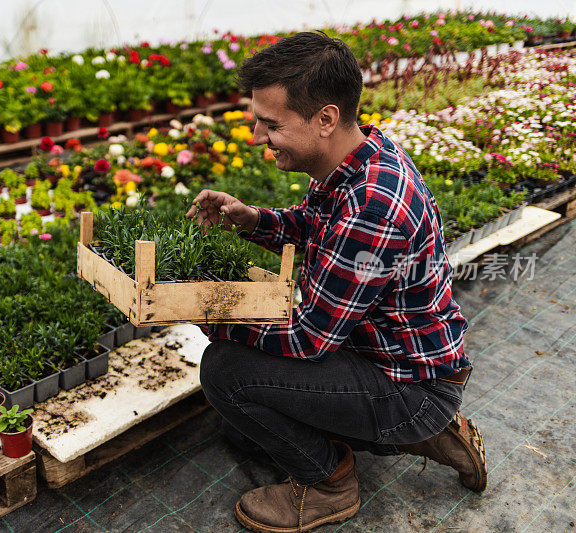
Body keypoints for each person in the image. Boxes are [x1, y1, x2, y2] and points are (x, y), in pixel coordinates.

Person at [185, 31, 487, 533]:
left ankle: (330, 481)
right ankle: (426, 433)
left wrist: (210, 312)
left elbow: (308, 341)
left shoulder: (374, 202)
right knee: (244, 431)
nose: (257, 138)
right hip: (380, 353)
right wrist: (250, 218)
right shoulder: (352, 158)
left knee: (226, 372)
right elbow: (312, 223)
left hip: (406, 382)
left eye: (270, 124)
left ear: (325, 118)